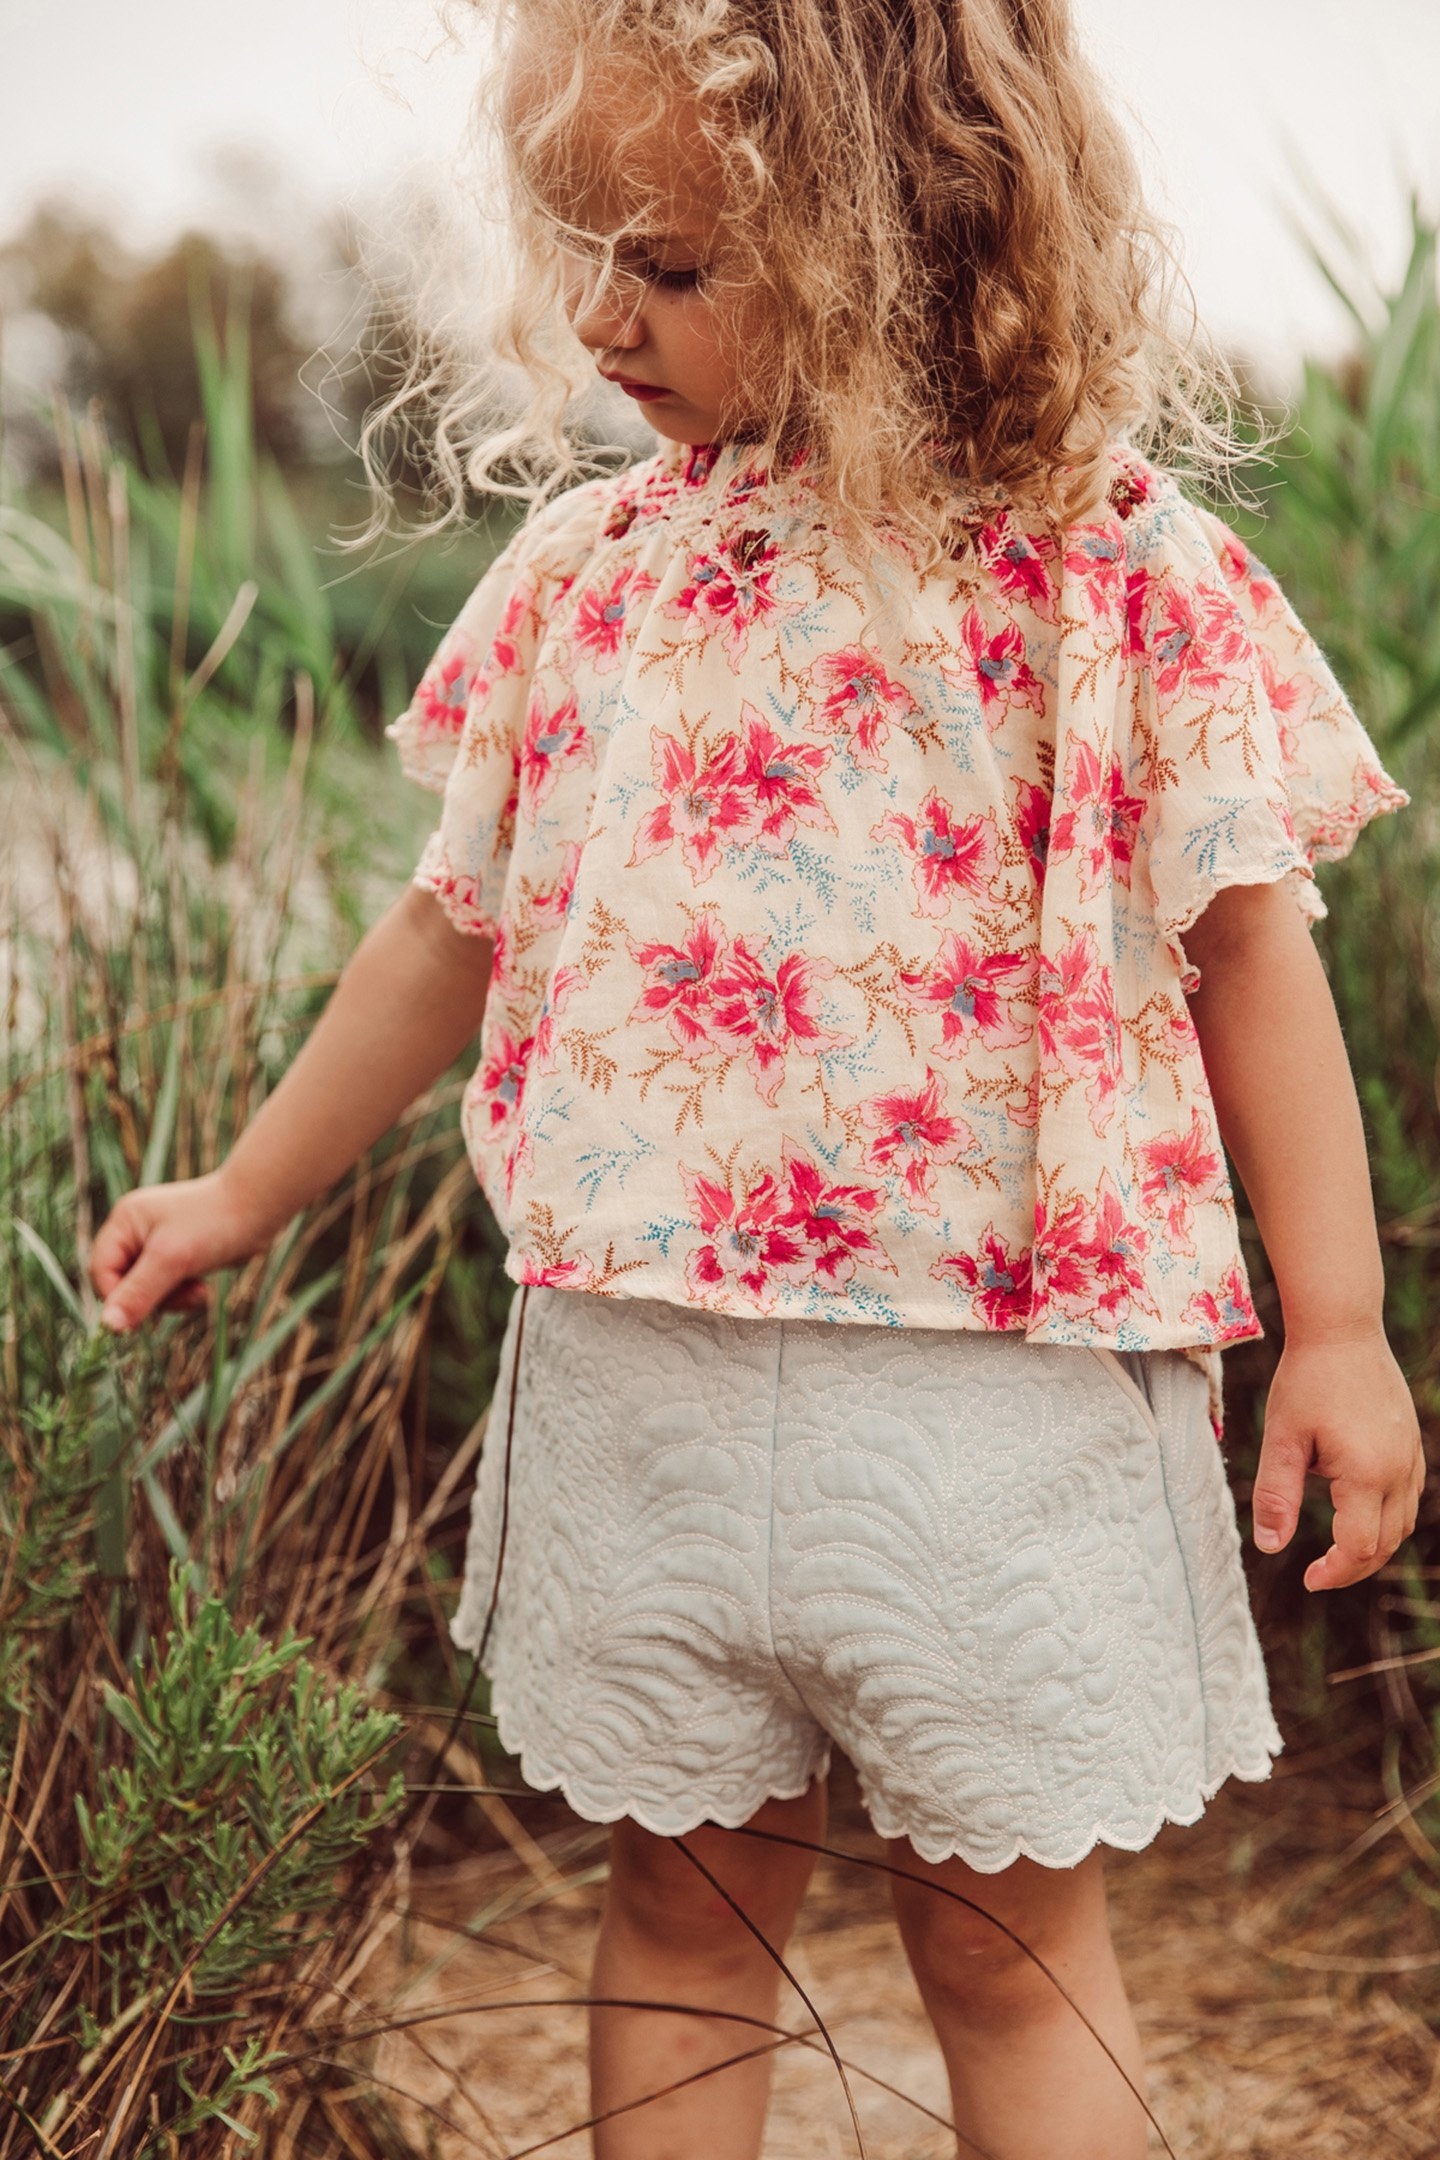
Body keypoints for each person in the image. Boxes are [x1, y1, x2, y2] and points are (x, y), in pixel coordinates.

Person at [90, 3, 1426, 2154]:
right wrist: (249, 1188)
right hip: (649, 1386)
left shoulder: (1113, 570)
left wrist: (1341, 1329)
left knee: (1006, 1950)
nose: (601, 312)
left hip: (1001, 1395)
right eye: (579, 248)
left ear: (903, 238)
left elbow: (1251, 944)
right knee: (688, 1917)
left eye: (674, 266)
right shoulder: (588, 579)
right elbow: (451, 926)